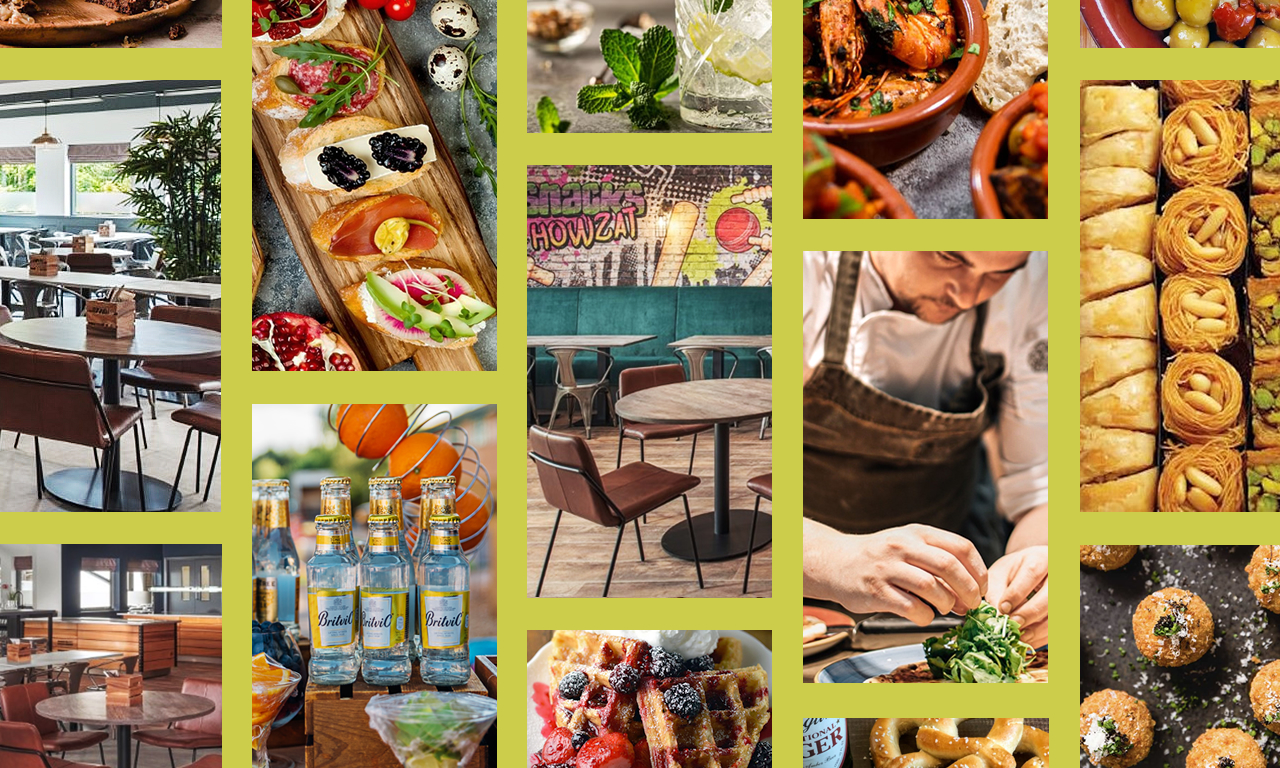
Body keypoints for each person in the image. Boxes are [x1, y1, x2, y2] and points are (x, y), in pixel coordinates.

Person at [802, 251, 1048, 647]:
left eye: (999, 274)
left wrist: (1038, 564)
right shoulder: (802, 267)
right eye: (949, 258)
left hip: (957, 581)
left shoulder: (1035, 280)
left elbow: (1040, 487)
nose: (968, 296)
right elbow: (746, 500)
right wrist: (834, 558)